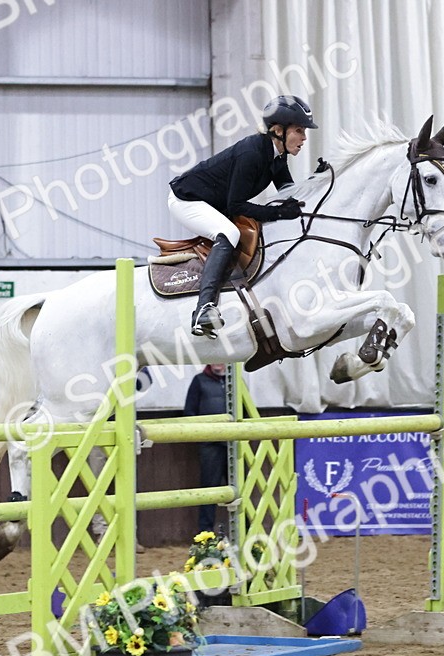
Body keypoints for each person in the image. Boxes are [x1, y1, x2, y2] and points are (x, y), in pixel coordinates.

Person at [168, 94, 318, 337]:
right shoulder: (252, 153)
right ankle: (203, 309)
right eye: (299, 130)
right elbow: (236, 205)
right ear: (278, 130)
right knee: (228, 233)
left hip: (214, 202)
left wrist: (316, 184)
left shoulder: (278, 156)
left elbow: (289, 193)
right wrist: (278, 212)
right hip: (186, 199)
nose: (304, 138)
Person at [184, 363, 228, 532]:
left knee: (241, 489)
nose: (218, 362)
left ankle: (245, 530)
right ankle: (205, 533)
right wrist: (202, 436)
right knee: (209, 490)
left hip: (233, 444)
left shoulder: (236, 383)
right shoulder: (199, 381)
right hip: (210, 445)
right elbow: (189, 411)